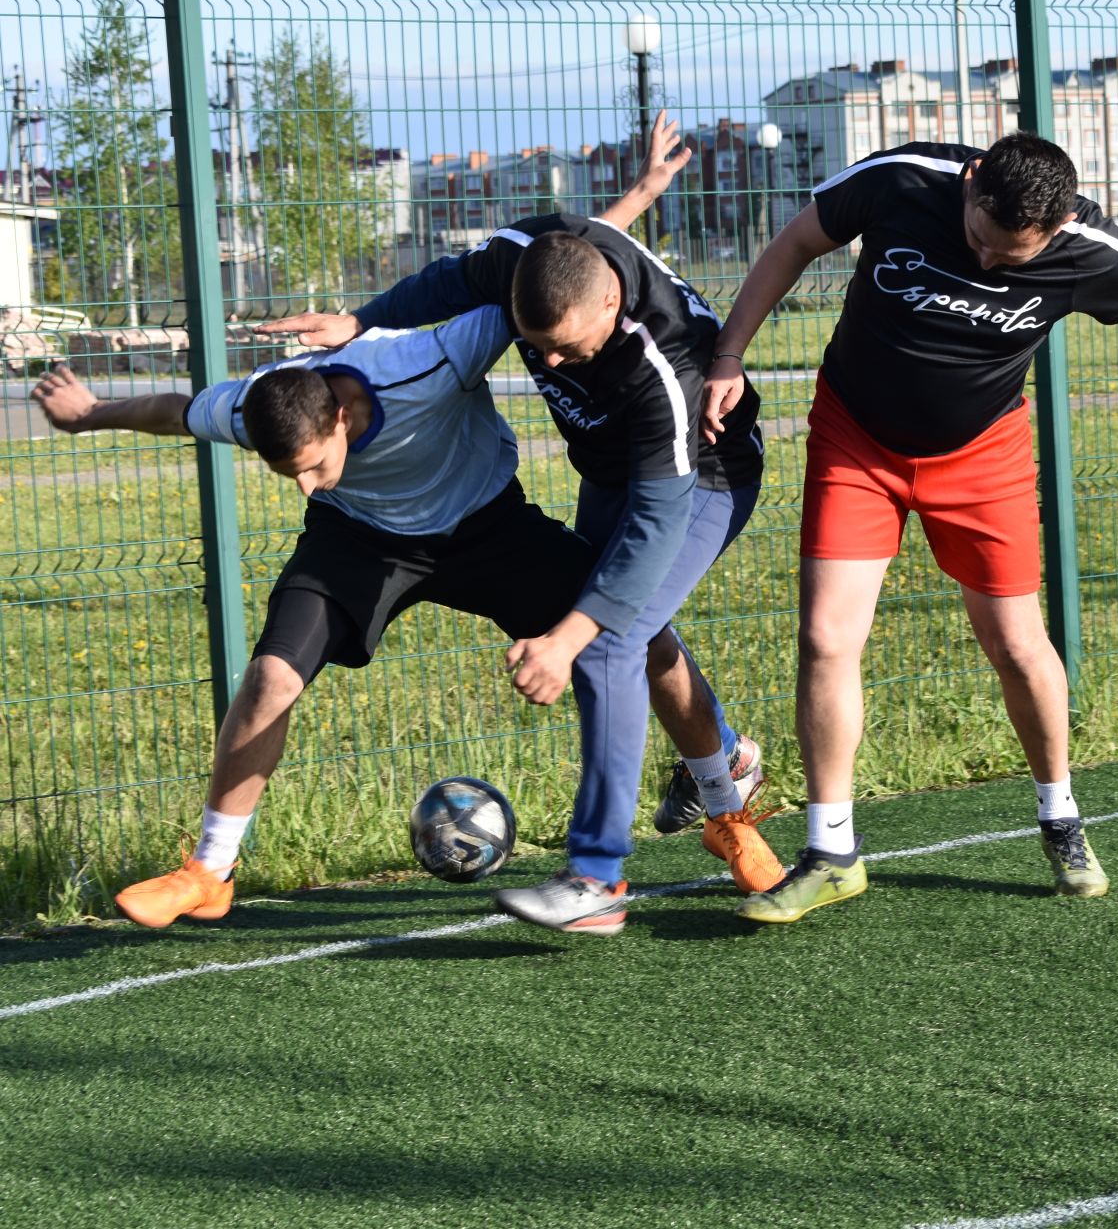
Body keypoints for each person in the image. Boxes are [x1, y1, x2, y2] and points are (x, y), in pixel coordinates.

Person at [700, 132, 1118, 924]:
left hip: (983, 460)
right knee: (826, 637)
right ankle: (831, 850)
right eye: (981, 238)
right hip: (857, 437)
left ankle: (1061, 818)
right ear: (972, 183)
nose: (987, 264)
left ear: (1055, 228)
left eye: (1012, 260)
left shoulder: (1087, 250)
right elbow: (796, 243)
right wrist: (730, 353)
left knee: (1015, 643)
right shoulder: (902, 181)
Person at [260, 115, 780, 930]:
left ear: (611, 302)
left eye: (571, 348)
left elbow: (653, 527)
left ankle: (598, 882)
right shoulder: (527, 258)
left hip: (699, 477)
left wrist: (569, 635)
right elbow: (446, 281)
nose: (557, 363)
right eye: (542, 350)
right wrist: (359, 323)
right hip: (610, 470)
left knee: (608, 635)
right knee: (636, 635)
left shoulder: (661, 373)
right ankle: (727, 774)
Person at [33, 308, 677, 935]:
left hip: (490, 526)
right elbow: (174, 411)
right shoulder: (256, 408)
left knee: (632, 632)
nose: (306, 486)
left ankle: (724, 794)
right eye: (290, 474)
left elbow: (519, 292)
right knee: (269, 679)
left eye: (314, 465)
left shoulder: (427, 364)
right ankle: (210, 871)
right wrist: (89, 414)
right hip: (361, 540)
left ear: (341, 416)